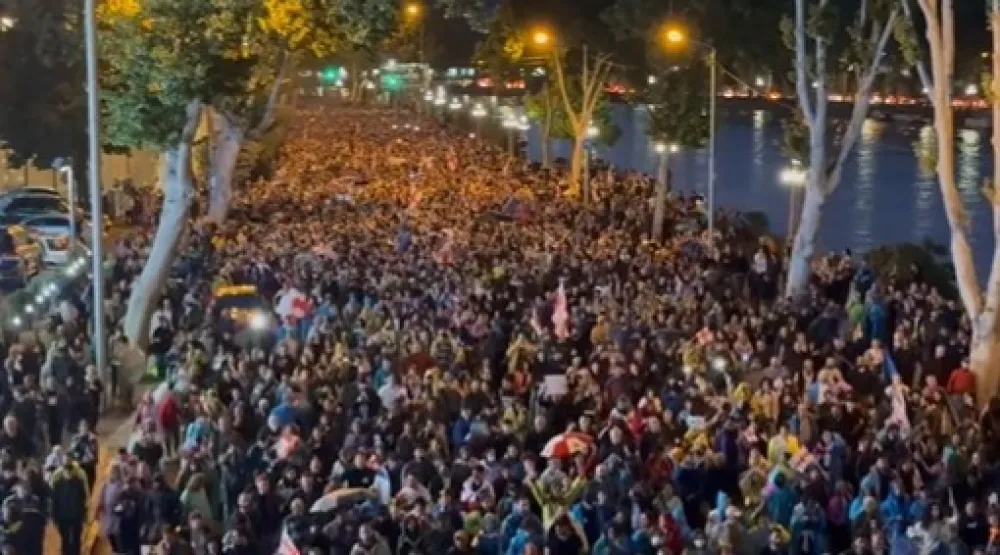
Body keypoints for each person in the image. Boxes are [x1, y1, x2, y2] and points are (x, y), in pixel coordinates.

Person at [49, 456, 89, 555]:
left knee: (76, 539)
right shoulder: (57, 483)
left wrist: (84, 515)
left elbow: (84, 499)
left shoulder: (79, 481)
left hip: (76, 516)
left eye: (70, 469)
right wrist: (54, 516)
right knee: (65, 539)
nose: (68, 472)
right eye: (66, 469)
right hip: (63, 517)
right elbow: (54, 501)